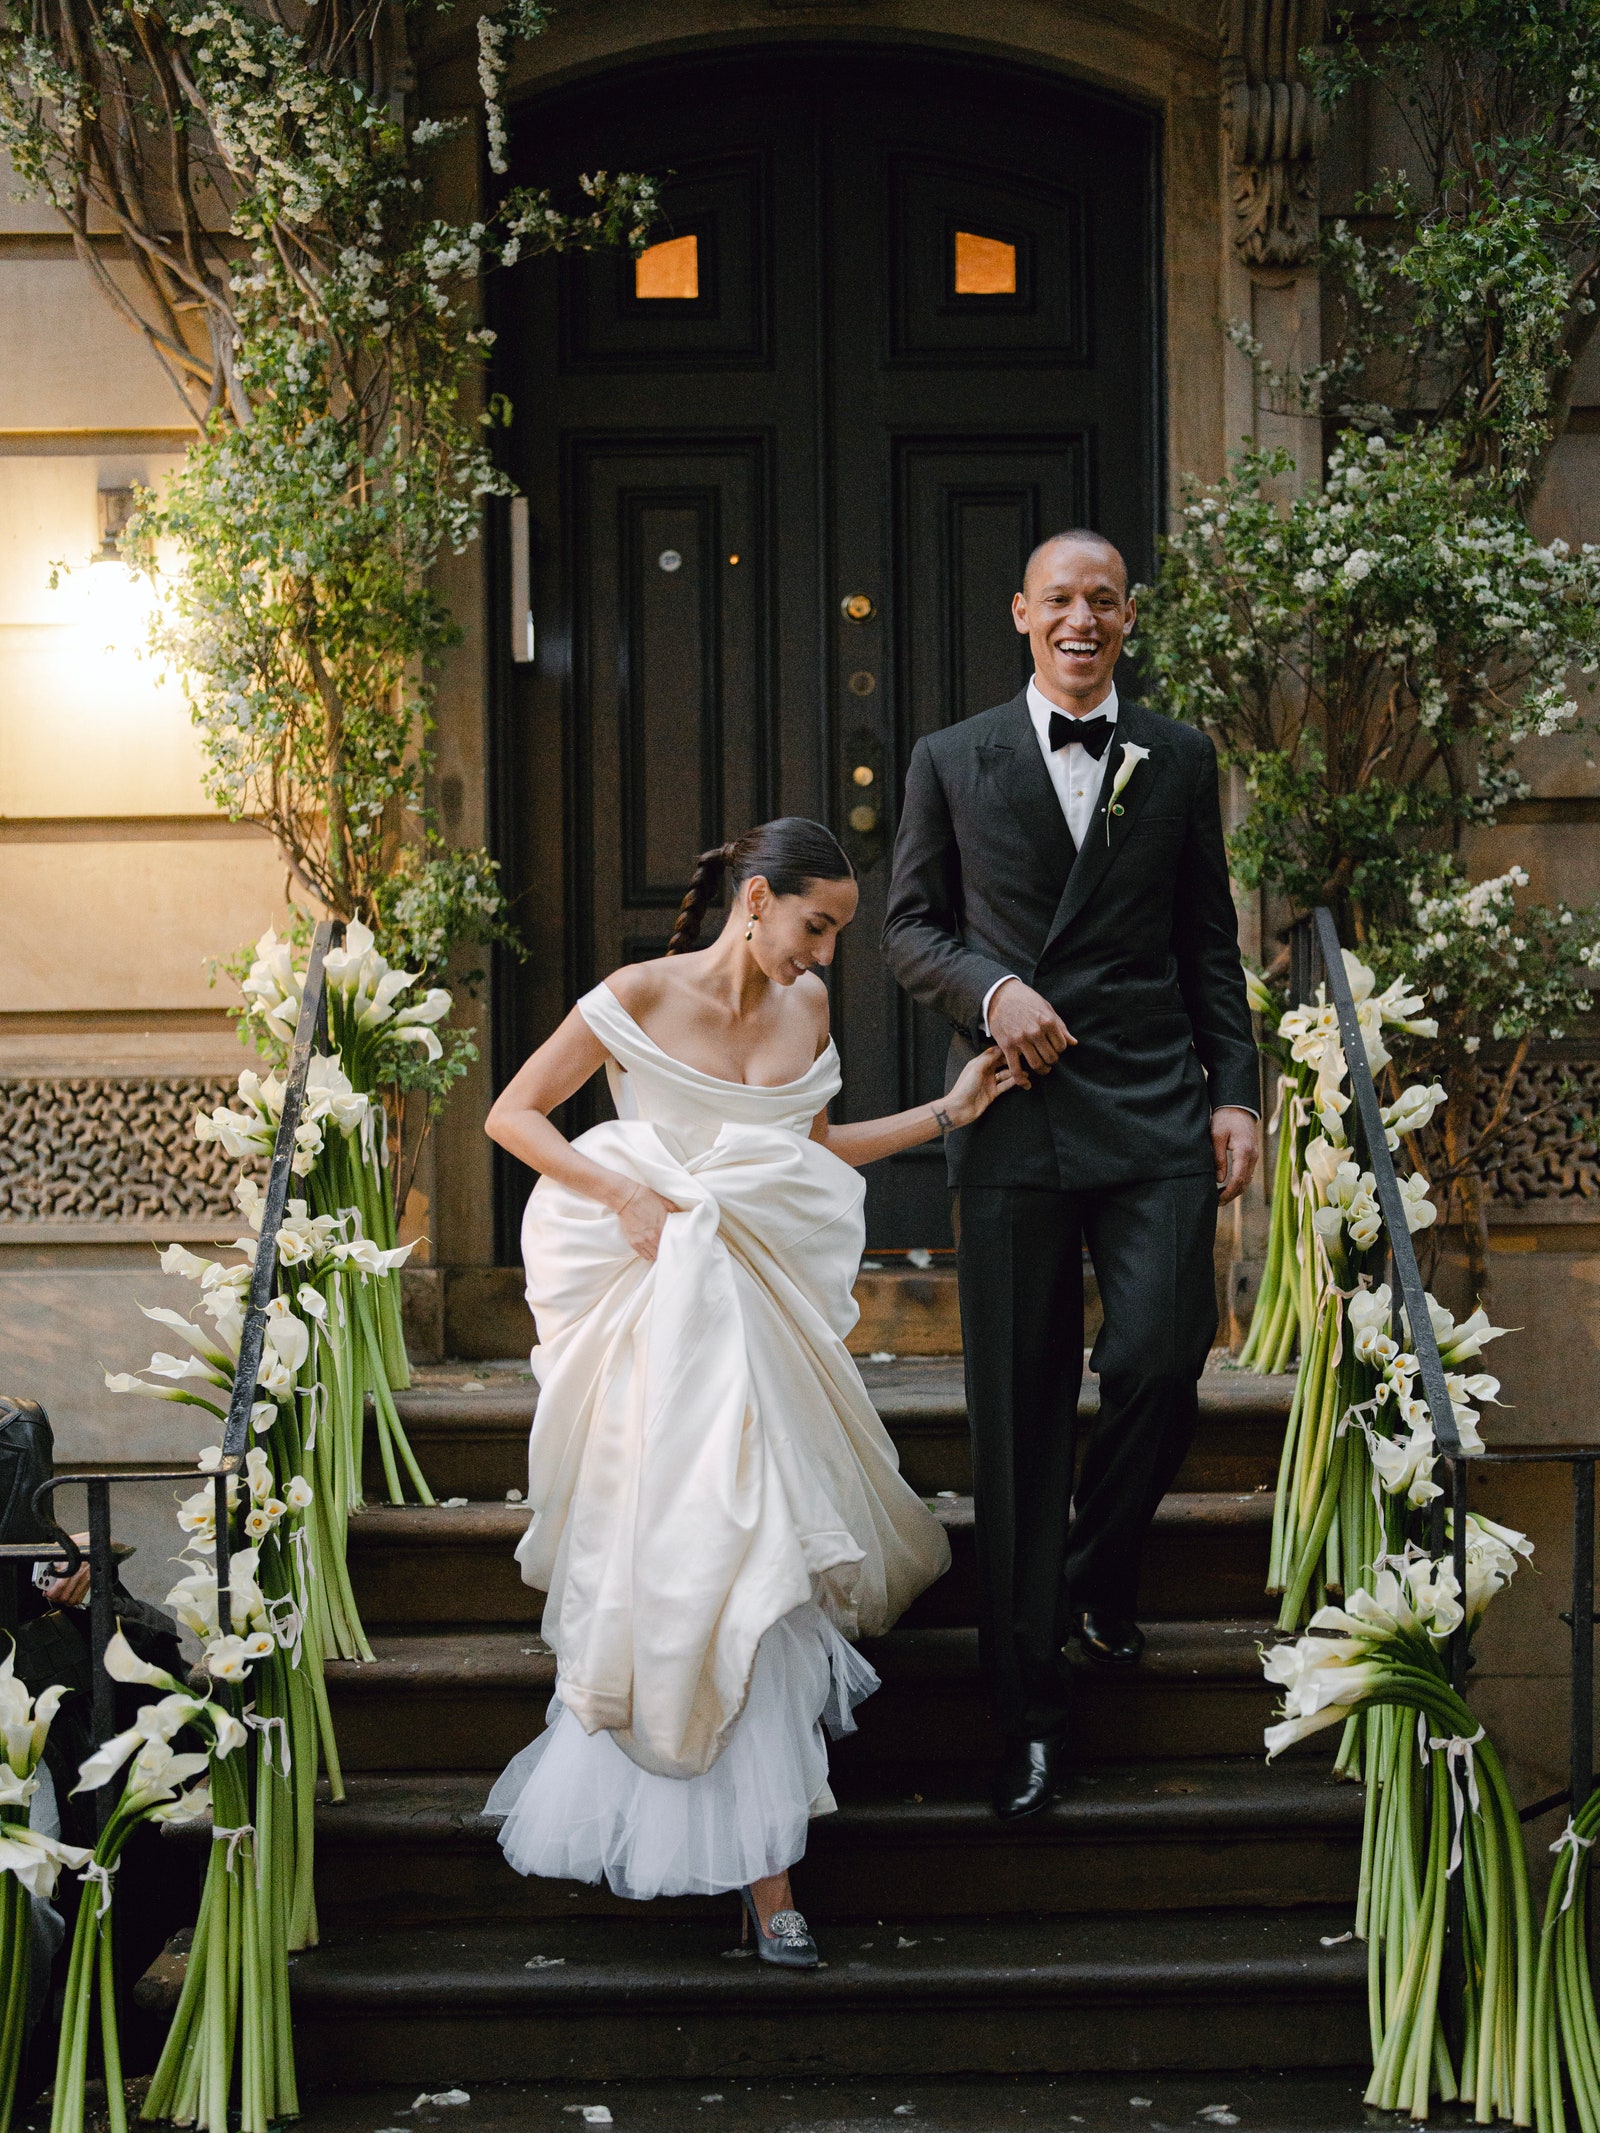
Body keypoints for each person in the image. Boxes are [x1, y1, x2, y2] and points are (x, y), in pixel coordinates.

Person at [482, 818, 1012, 1965]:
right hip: (655, 1317)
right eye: (814, 927)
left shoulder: (807, 1011)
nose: (820, 956)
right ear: (758, 898)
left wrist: (947, 1113)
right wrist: (618, 1195)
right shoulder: (633, 993)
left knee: (764, 1558)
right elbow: (512, 1116)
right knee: (694, 1559)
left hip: (758, 1318)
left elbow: (811, 1148)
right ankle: (755, 1880)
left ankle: (768, 1884)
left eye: (834, 937)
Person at [882, 528, 1261, 1822]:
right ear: (1021, 613)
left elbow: (1209, 938)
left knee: (1161, 1353)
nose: (1082, 618)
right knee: (1020, 1420)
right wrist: (990, 989)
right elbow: (906, 927)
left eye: (1104, 600)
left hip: (1155, 1105)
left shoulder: (1180, 756)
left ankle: (1096, 1572)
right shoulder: (950, 758)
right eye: (1061, 600)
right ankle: (1028, 1717)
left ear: (1128, 617)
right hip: (1013, 1120)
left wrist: (1238, 1091)